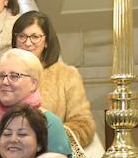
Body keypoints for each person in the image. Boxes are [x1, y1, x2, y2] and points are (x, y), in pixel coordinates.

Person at [0, 48, 71, 158]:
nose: (5, 81)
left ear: (33, 83)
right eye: (1, 75)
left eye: (14, 76)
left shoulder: (49, 123)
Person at [13, 11, 96, 147]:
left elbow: (84, 124)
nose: (27, 43)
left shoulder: (67, 75)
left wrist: (47, 138)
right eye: (22, 36)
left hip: (51, 156)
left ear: (46, 41)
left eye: (35, 37)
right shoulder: (3, 74)